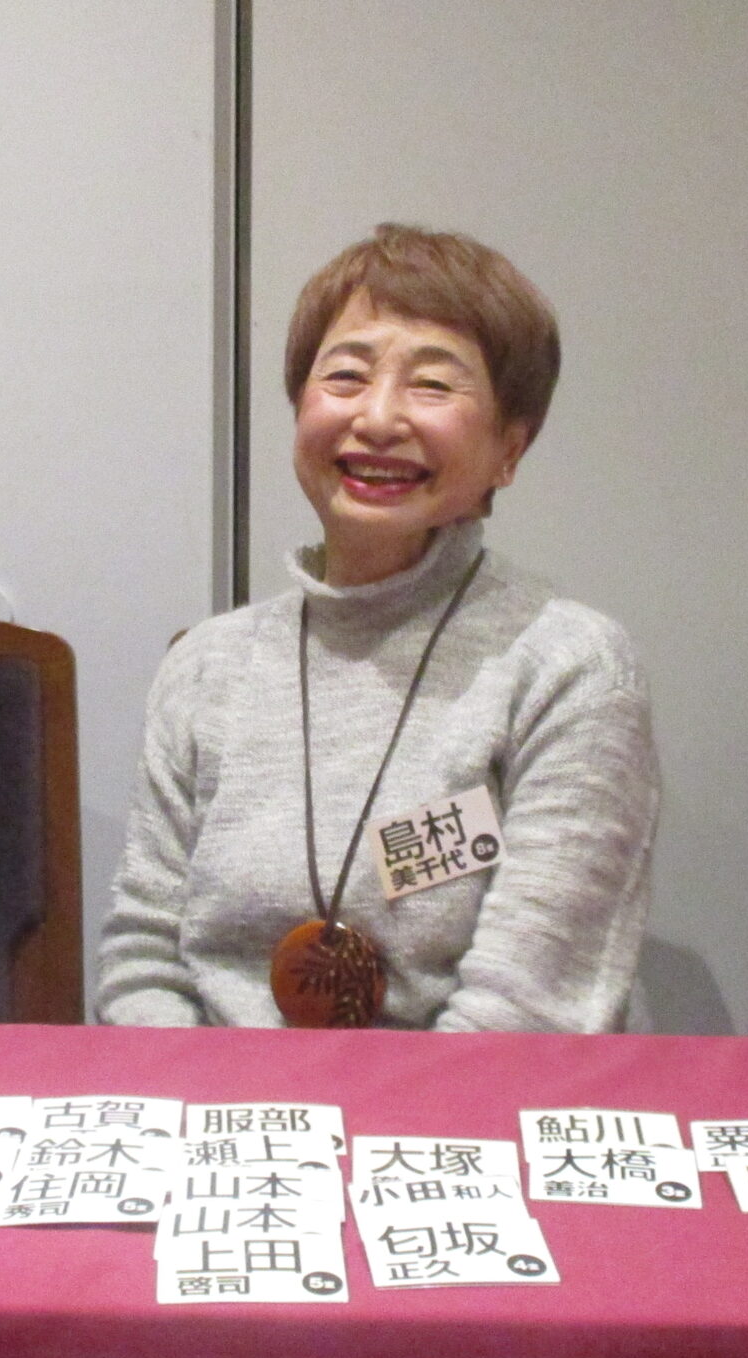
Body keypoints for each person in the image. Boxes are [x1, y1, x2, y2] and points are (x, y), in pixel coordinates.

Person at [97, 224, 659, 1031]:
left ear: (509, 449)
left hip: (460, 1106)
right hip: (210, 1103)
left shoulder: (571, 670)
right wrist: (209, 1106)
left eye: (432, 384)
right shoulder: (206, 667)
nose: (380, 417)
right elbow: (142, 964)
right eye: (346, 376)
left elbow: (525, 1011)